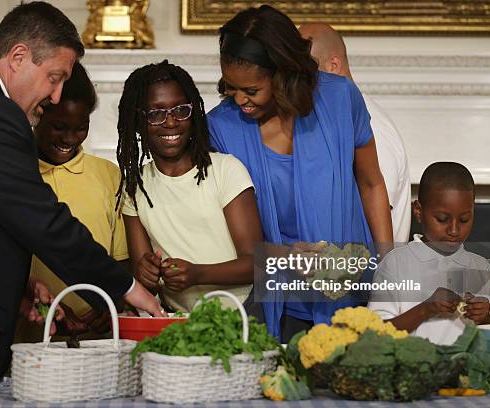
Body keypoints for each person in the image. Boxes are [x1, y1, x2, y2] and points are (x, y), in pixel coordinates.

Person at [0, 2, 162, 401]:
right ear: (18, 57)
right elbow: (43, 221)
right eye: (54, 78)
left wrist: (13, 283)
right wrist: (128, 288)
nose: (56, 96)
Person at [207, 5, 393, 341]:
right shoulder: (221, 126)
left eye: (251, 91)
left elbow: (371, 182)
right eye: (230, 87)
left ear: (283, 74)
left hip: (351, 287)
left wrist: (387, 262)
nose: (239, 100)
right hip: (276, 298)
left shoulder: (339, 97)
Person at [117, 60, 263, 312]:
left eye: (180, 110)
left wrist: (198, 274)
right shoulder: (135, 187)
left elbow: (257, 264)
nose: (171, 122)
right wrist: (147, 273)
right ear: (138, 123)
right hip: (178, 320)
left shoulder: (225, 170)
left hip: (241, 311)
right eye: (155, 114)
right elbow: (144, 276)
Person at [15, 62, 128, 343]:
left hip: (99, 334)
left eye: (81, 128)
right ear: (37, 114)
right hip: (32, 330)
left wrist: (111, 302)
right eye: (59, 127)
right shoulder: (15, 175)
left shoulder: (108, 175)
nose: (69, 139)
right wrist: (46, 305)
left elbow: (122, 258)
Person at [298, 23, 412, 244]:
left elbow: (376, 208)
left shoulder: (372, 124)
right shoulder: (335, 118)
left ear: (333, 66)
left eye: (305, 70)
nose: (296, 80)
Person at [368, 162, 490, 344]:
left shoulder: (481, 267)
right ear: (418, 211)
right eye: (442, 219)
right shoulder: (396, 264)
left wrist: (484, 317)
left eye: (464, 219)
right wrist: (425, 309)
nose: (454, 230)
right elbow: (376, 334)